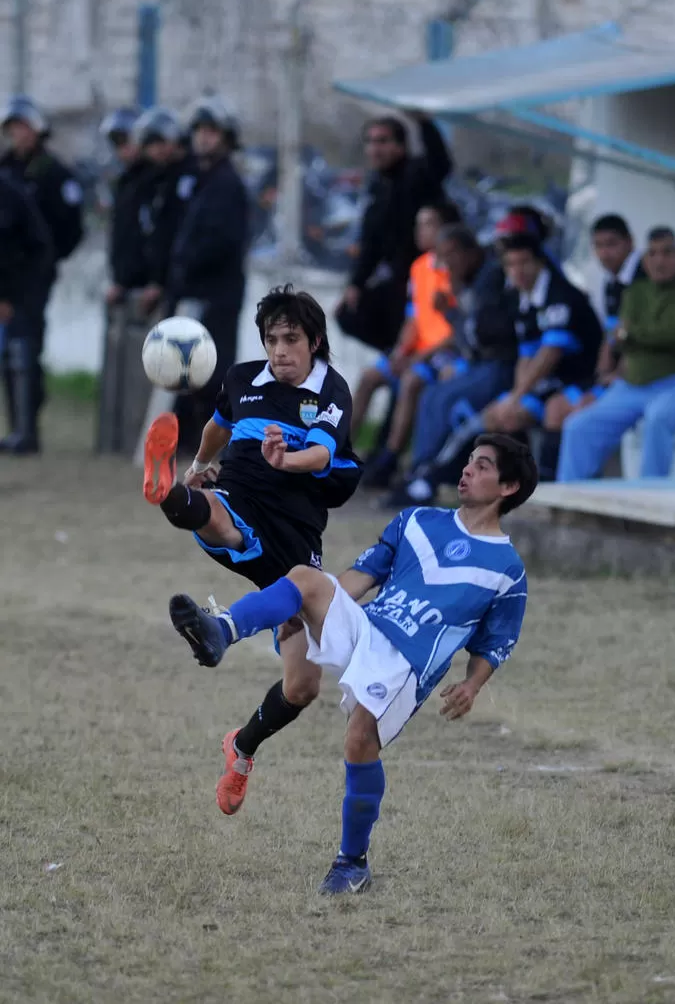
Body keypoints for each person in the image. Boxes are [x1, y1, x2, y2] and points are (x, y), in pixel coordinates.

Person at [167, 433, 538, 894]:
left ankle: (352, 863)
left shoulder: (507, 568)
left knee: (359, 741)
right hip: (369, 627)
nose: (466, 470)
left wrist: (472, 684)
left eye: (482, 466)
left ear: (508, 487)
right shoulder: (417, 520)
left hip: (407, 664)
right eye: (468, 461)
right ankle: (220, 630)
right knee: (305, 578)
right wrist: (304, 607)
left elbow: (496, 641)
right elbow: (360, 577)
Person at [143, 284, 362, 786]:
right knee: (222, 521)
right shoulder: (242, 379)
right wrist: (200, 463)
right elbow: (220, 427)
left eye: (290, 338)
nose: (280, 350)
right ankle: (172, 494)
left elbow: (324, 454)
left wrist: (289, 458)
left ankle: (242, 747)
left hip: (297, 529)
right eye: (271, 339)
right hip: (241, 498)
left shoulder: (331, 388)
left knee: (303, 685)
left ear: (315, 341)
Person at [399, 233, 603, 501]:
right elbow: (527, 356)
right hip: (552, 382)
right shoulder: (522, 297)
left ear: (540, 263)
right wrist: (516, 395)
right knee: (496, 416)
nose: (517, 271)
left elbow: (549, 355)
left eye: (524, 263)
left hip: (583, 380)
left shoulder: (559, 295)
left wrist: (517, 397)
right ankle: (434, 478)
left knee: (518, 413)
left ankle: (545, 490)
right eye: (511, 264)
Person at [557, 227, 675, 481]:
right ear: (644, 259)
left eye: (667, 252)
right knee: (578, 426)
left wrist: (631, 335)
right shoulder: (635, 293)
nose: (660, 260)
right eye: (652, 253)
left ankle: (651, 498)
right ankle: (571, 501)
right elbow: (626, 340)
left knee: (658, 419)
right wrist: (644, 338)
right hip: (632, 387)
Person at [382, 224, 519, 507]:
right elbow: (468, 333)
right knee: (431, 395)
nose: (447, 263)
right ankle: (419, 469)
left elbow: (481, 333)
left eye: (451, 254)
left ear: (469, 251)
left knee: (447, 401)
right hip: (478, 362)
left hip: (501, 365)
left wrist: (455, 301)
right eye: (442, 256)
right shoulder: (467, 278)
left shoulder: (490, 276)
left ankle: (427, 477)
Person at [350, 201, 462, 474]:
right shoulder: (419, 267)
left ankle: (389, 459)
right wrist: (401, 351)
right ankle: (339, 452)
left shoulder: (457, 270)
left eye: (428, 224)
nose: (420, 231)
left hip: (444, 353)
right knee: (369, 377)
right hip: (416, 351)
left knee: (411, 382)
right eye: (418, 224)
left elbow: (458, 330)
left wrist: (416, 357)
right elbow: (414, 317)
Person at [0, 94, 84, 452]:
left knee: (25, 346)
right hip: (6, 278)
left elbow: (69, 228)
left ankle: (28, 428)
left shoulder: (55, 173)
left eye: (23, 127)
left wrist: (48, 262)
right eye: (12, 129)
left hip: (33, 275)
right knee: (11, 351)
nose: (17, 135)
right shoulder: (5, 170)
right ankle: (17, 426)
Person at [336, 112, 453, 354]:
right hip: (398, 276)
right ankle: (395, 356)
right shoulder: (378, 186)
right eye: (370, 142)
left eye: (382, 141)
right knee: (349, 313)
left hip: (431, 272)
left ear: (401, 146)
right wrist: (355, 284)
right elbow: (370, 244)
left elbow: (441, 163)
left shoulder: (416, 173)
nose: (374, 148)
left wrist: (424, 122)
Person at [541, 214, 646, 478]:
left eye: (611, 244)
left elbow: (637, 342)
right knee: (555, 407)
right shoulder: (612, 282)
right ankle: (546, 486)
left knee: (579, 414)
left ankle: (575, 492)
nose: (604, 253)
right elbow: (611, 334)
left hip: (636, 378)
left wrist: (610, 380)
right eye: (598, 246)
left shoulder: (642, 280)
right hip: (611, 377)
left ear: (630, 243)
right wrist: (601, 373)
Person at [167, 95, 248, 436]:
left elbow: (221, 242)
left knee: (212, 373)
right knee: (189, 372)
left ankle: (221, 444)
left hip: (216, 292)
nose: (204, 137)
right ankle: (190, 438)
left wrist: (188, 264)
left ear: (227, 137)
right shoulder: (202, 180)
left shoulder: (227, 184)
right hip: (195, 289)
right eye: (199, 130)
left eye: (212, 131)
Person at [0, 173, 54, 447]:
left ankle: (25, 433)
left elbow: (35, 250)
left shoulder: (13, 194)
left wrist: (12, 297)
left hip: (18, 298)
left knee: (21, 359)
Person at [130, 107, 197, 319]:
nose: (155, 151)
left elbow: (176, 233)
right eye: (150, 145)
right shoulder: (157, 178)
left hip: (187, 283)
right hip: (163, 282)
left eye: (159, 143)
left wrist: (162, 281)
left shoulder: (189, 176)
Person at [100, 108, 157, 309]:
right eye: (117, 143)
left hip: (151, 290)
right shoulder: (124, 182)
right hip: (125, 289)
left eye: (126, 141)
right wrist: (120, 280)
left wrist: (157, 282)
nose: (122, 149)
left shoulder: (157, 180)